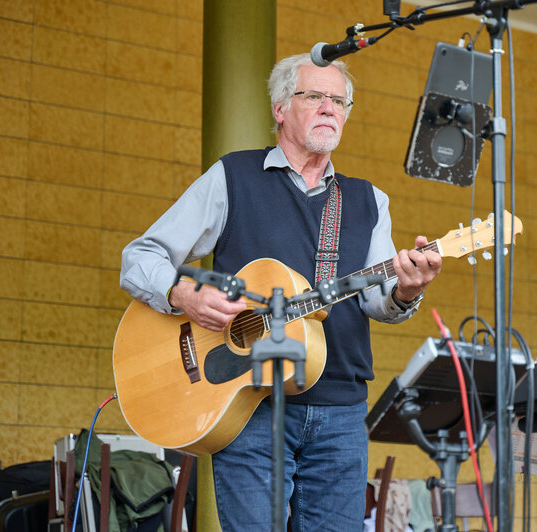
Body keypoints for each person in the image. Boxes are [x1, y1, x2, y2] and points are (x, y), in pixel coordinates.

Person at [119, 53, 442, 531]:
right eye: (315, 96)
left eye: (339, 101)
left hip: (341, 413)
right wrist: (183, 295)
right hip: (250, 405)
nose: (329, 108)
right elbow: (140, 256)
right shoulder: (233, 177)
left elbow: (379, 301)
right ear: (280, 108)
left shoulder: (369, 200)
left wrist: (407, 291)